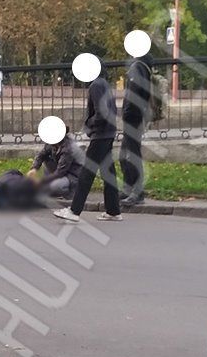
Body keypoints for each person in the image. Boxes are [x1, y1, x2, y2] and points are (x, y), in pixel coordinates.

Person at [54, 69, 122, 223]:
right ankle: (113, 211)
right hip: (108, 133)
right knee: (108, 173)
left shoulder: (95, 86)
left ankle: (74, 211)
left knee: (86, 173)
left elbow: (101, 112)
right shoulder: (104, 84)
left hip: (101, 134)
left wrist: (89, 124)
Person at [119, 44, 154, 207]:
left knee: (132, 155)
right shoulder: (144, 66)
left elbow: (134, 92)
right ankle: (128, 189)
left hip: (133, 117)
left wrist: (127, 112)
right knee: (124, 154)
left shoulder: (137, 67)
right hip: (136, 115)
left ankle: (137, 192)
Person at [28, 128, 83, 203]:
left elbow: (60, 172)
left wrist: (41, 182)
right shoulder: (51, 143)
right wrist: (34, 169)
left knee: (55, 186)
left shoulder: (68, 148)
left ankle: (70, 193)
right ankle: (51, 190)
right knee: (46, 160)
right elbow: (40, 156)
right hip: (60, 173)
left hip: (72, 176)